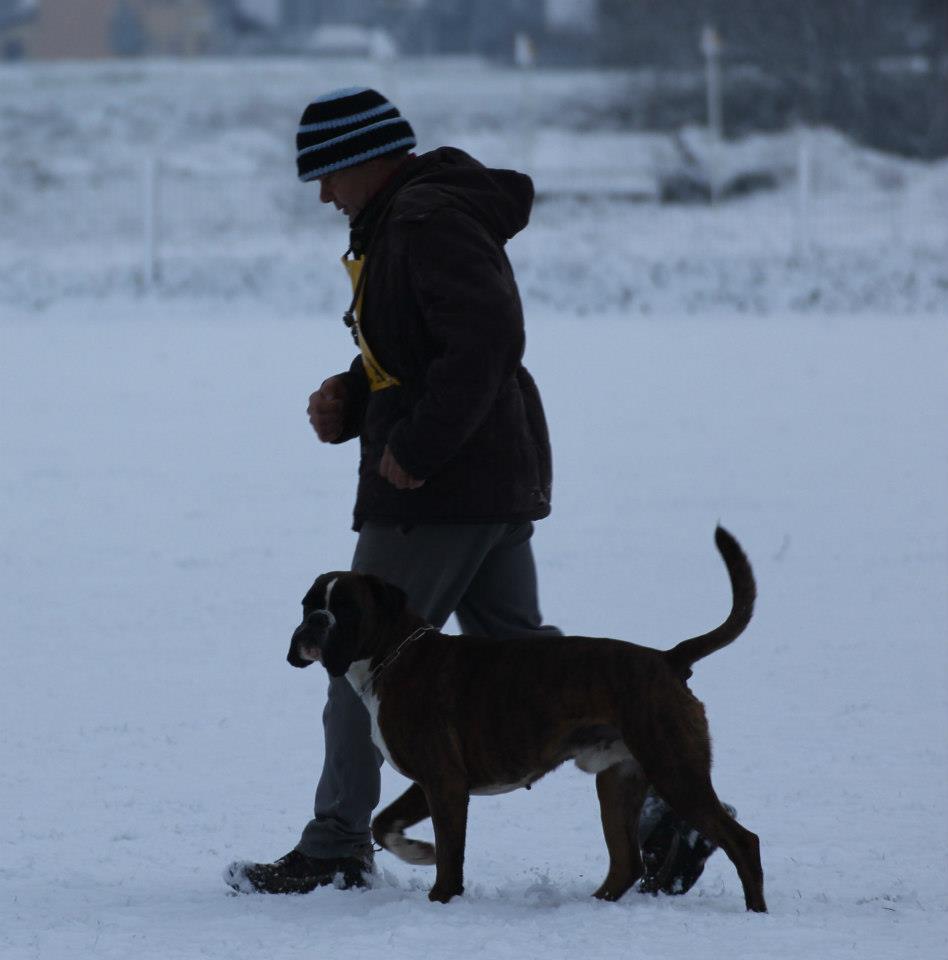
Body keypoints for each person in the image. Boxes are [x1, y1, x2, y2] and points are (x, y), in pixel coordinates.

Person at [226, 87, 725, 899]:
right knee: (533, 666)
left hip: (439, 492)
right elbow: (425, 344)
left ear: (364, 159)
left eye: (325, 174)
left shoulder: (425, 222)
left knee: (361, 662)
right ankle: (667, 809)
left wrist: (416, 446)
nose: (321, 194)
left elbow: (488, 338)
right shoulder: (412, 219)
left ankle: (335, 845)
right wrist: (355, 399)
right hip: (486, 476)